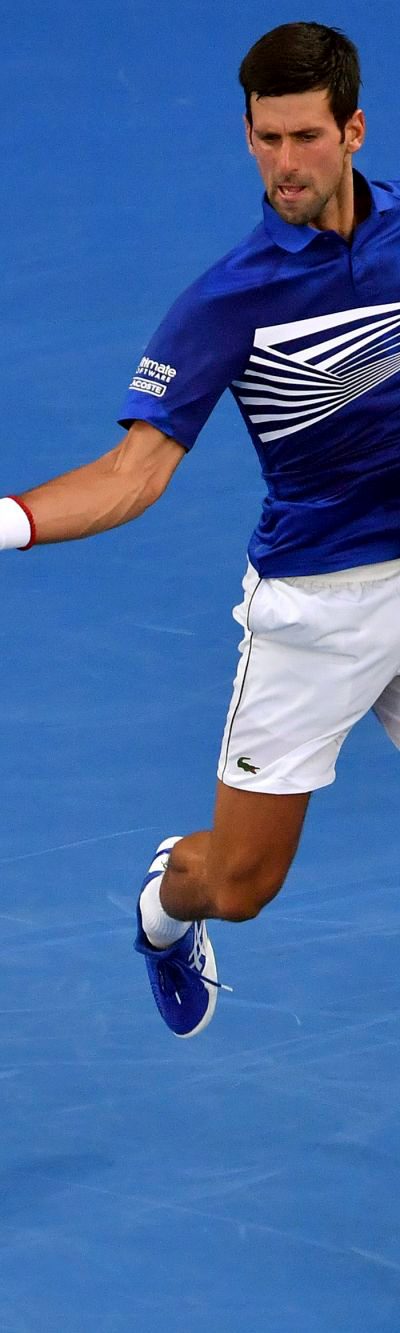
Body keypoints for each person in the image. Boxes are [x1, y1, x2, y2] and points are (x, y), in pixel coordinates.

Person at [4, 22, 400, 1038]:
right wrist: (7, 521)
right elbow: (131, 476)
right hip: (315, 605)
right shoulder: (229, 301)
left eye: (306, 137)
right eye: (267, 139)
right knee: (238, 882)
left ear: (353, 131)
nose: (285, 163)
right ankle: (162, 912)